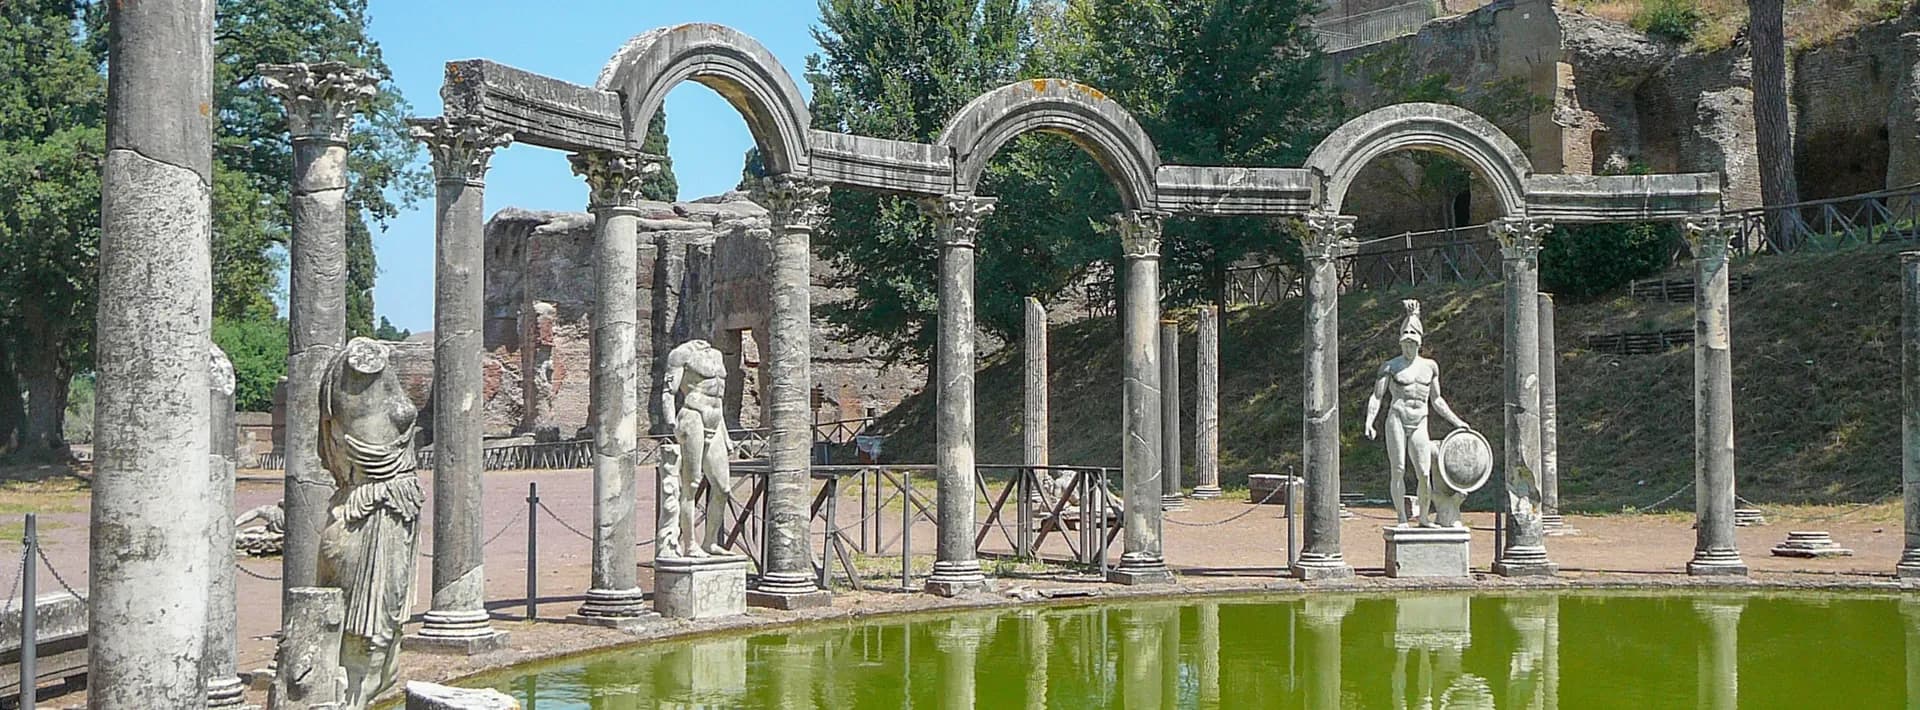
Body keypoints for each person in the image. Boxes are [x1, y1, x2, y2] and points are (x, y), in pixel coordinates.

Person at [1364, 300, 1471, 527]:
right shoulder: (1390, 366)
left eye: (1413, 335)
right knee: (1399, 468)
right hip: (1397, 418)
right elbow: (1377, 397)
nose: (1409, 340)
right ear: (1401, 339)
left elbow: (1437, 400)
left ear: (1419, 340)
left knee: (1424, 472)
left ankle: (1423, 517)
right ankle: (1402, 518)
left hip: (1420, 420)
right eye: (1406, 335)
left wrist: (1457, 422)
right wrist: (1369, 422)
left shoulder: (1430, 367)